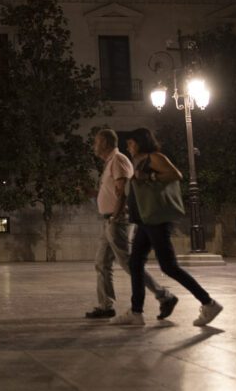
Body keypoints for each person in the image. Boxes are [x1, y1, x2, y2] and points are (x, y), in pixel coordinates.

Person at [113, 128, 223, 327]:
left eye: (131, 143)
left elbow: (175, 174)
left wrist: (151, 177)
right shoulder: (138, 161)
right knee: (135, 264)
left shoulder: (154, 157)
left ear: (140, 142)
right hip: (144, 221)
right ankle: (136, 312)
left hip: (156, 220)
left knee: (169, 266)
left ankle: (209, 303)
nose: (128, 147)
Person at [87, 129, 177, 319]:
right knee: (102, 263)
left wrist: (115, 216)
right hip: (109, 219)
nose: (94, 146)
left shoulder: (118, 160)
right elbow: (114, 191)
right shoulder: (110, 162)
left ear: (104, 143)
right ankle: (106, 306)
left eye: (96, 142)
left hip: (116, 220)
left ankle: (164, 295)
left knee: (129, 263)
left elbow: (123, 191)